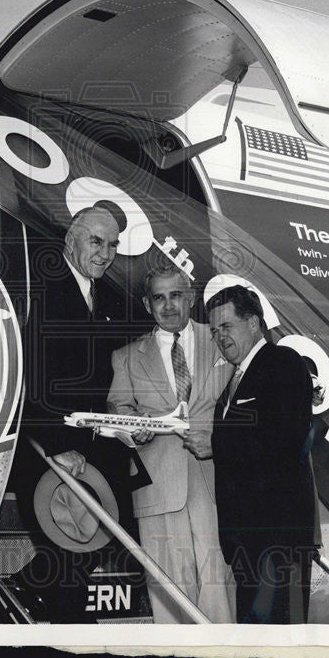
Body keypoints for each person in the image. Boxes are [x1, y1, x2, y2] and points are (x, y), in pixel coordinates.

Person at [8, 204, 139, 620]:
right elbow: (27, 370)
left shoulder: (109, 297)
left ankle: (25, 587)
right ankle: (66, 622)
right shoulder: (38, 285)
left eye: (113, 245)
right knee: (69, 546)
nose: (106, 253)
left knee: (116, 530)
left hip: (94, 446)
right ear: (71, 238)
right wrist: (55, 445)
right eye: (96, 242)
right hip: (49, 446)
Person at [106, 265, 236, 623]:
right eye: (159, 298)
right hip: (158, 488)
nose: (168, 306)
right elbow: (118, 412)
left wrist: (223, 440)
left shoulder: (223, 339)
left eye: (176, 295)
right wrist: (133, 431)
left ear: (191, 298)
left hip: (217, 482)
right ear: (148, 305)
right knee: (170, 592)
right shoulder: (127, 357)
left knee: (219, 587)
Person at [200, 284, 317, 623]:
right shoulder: (234, 383)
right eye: (214, 331)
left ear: (253, 323)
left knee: (283, 639)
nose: (220, 337)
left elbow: (285, 439)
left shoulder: (283, 363)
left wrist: (216, 444)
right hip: (246, 542)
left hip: (278, 540)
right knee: (257, 638)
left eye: (226, 326)